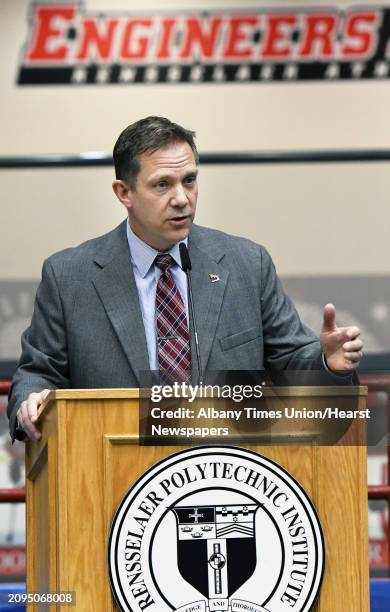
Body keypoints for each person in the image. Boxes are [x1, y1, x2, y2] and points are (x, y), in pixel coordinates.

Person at [7, 116, 363, 442]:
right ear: (124, 193)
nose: (182, 199)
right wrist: (31, 400)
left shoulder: (246, 264)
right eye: (162, 185)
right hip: (113, 475)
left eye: (189, 180)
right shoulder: (70, 277)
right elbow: (37, 374)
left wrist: (327, 364)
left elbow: (292, 362)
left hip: (228, 473)